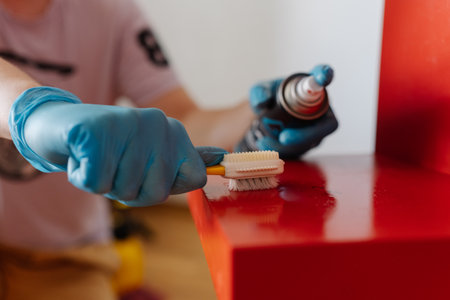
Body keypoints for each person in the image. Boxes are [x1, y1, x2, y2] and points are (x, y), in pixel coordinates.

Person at [0, 0, 337, 299]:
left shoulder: (111, 13)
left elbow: (182, 121)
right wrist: (33, 112)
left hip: (68, 257)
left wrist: (260, 116)